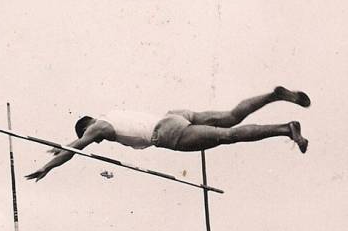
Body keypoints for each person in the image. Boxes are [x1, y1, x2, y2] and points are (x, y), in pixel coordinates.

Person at [26, 87, 311, 181]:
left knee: (229, 135)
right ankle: (273, 96)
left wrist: (47, 168)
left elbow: (76, 149)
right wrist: (62, 146)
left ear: (87, 127)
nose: (98, 140)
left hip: (166, 133)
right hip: (173, 115)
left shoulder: (98, 127)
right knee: (231, 117)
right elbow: (73, 144)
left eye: (92, 136)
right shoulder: (110, 115)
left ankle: (285, 129)